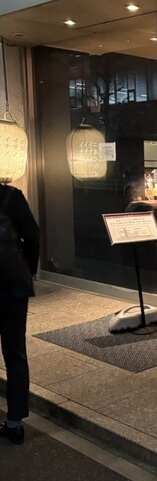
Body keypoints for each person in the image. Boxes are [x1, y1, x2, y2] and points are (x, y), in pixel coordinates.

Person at [0, 183, 40, 445]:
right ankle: (14, 423)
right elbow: (33, 237)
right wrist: (29, 269)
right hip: (12, 286)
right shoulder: (11, 197)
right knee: (15, 353)